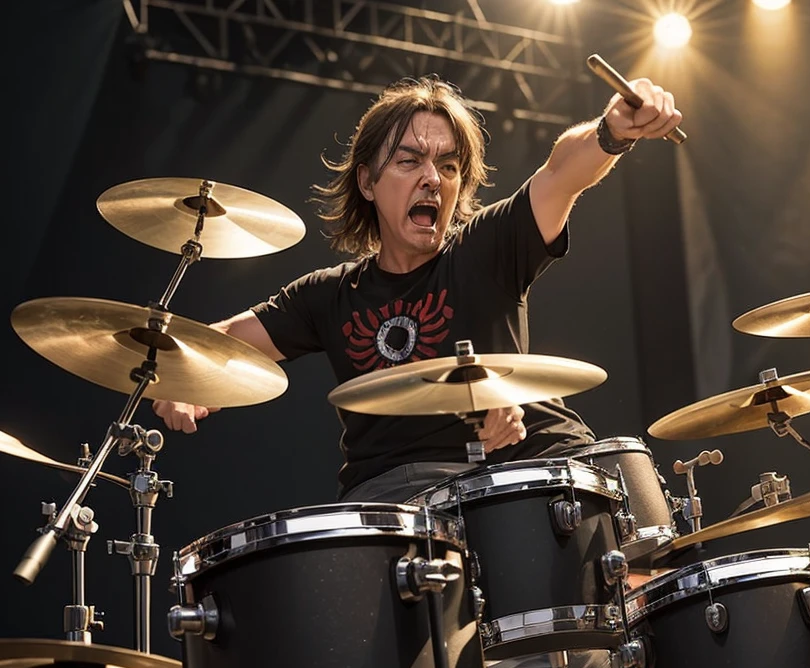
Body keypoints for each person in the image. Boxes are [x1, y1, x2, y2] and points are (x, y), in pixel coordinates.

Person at [152, 74, 682, 502]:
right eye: (409, 161)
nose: (432, 177)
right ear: (367, 182)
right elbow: (215, 345)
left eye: (448, 165)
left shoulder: (486, 247)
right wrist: (179, 376)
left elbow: (561, 171)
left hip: (530, 477)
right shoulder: (328, 295)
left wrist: (612, 132)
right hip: (396, 507)